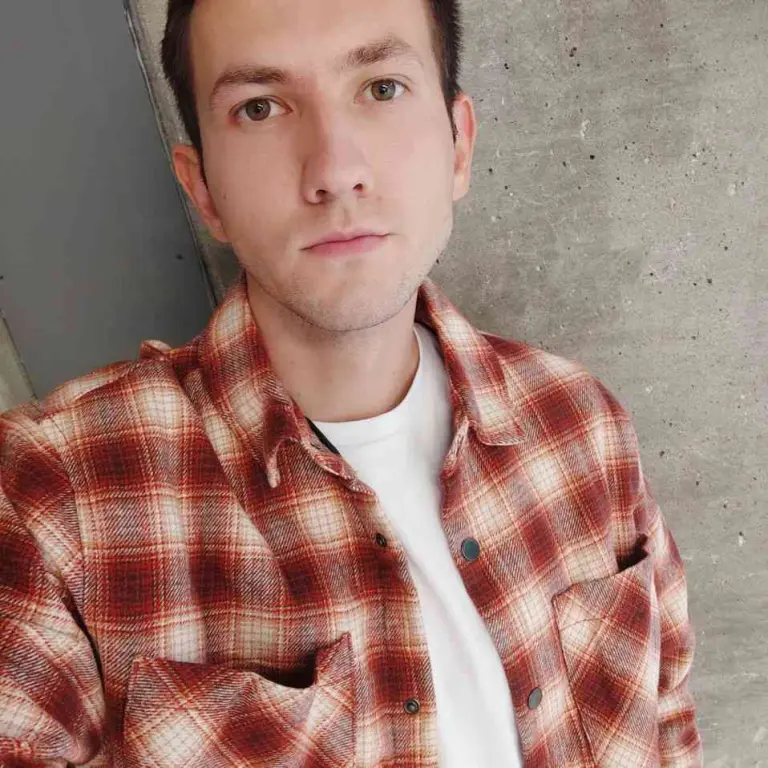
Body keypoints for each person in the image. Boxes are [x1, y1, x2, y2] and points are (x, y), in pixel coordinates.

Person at [0, 0, 703, 764]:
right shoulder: (51, 498)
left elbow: (666, 715)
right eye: (260, 107)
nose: (335, 170)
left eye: (381, 88)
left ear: (459, 145)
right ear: (202, 189)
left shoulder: (581, 424)